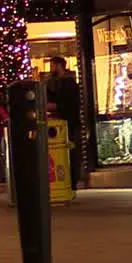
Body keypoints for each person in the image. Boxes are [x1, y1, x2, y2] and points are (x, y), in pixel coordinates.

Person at [46, 56, 83, 191]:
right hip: (62, 125)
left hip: (70, 124)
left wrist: (54, 107)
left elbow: (70, 105)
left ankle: (72, 182)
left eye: (52, 66)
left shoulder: (68, 84)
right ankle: (67, 182)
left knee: (71, 153)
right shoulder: (56, 83)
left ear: (59, 66)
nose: (51, 69)